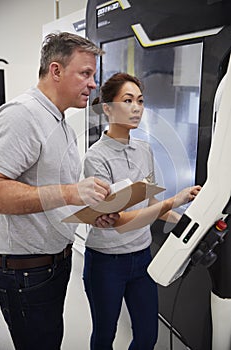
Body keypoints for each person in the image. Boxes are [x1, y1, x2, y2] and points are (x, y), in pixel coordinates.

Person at [0, 32, 116, 350]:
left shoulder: (59, 120)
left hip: (51, 265)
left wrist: (90, 214)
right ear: (56, 70)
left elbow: (47, 191)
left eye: (94, 75)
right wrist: (71, 193)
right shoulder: (23, 115)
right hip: (27, 273)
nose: (93, 84)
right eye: (85, 73)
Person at [83, 72, 201, 350]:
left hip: (141, 259)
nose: (137, 107)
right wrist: (173, 201)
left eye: (140, 100)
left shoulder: (144, 150)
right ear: (108, 108)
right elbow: (118, 221)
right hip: (106, 263)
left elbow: (150, 208)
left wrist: (190, 223)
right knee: (104, 335)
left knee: (148, 335)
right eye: (127, 100)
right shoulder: (96, 157)